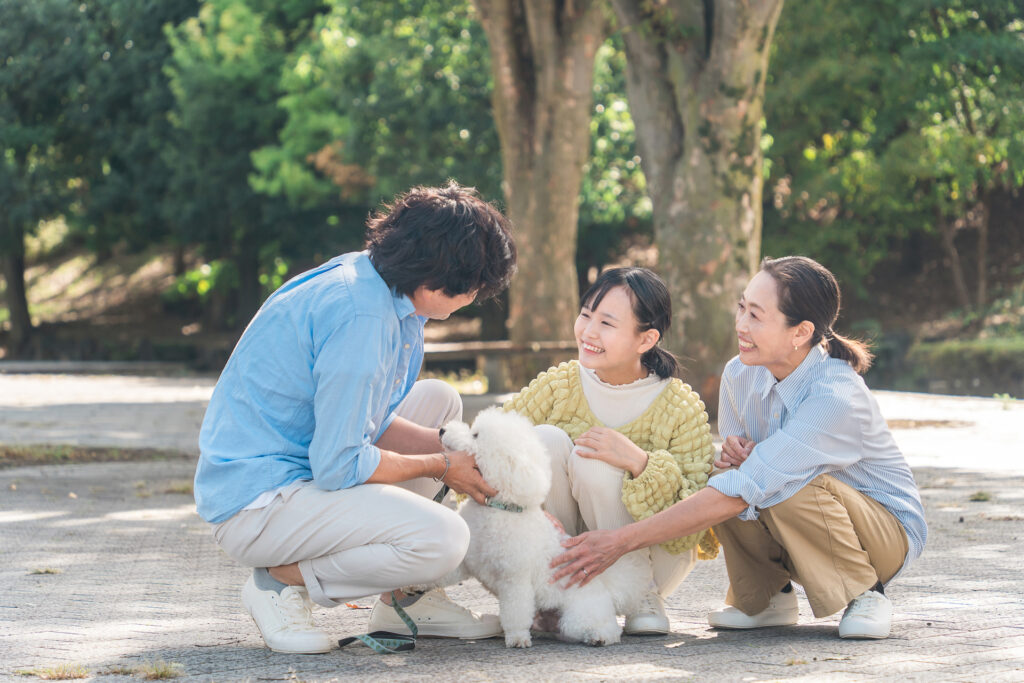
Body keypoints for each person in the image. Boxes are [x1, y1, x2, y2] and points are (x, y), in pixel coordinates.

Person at [193, 182, 517, 654]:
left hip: (303, 470)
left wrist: (450, 450)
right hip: (259, 504)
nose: (474, 299)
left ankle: (404, 602)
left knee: (440, 406)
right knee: (444, 540)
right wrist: (440, 466)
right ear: (437, 280)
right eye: (474, 289)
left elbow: (369, 420)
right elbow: (338, 464)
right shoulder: (361, 318)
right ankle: (280, 583)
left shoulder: (375, 284)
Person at [550, 256, 927, 640]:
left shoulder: (835, 397)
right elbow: (738, 478)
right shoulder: (740, 373)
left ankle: (867, 594)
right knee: (723, 473)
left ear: (801, 332)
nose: (740, 325)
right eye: (741, 307)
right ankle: (767, 598)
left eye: (756, 316)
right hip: (803, 529)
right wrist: (741, 463)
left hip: (884, 536)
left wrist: (618, 542)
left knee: (780, 485)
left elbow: (748, 488)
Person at [503, 267, 717, 636]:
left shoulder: (679, 406)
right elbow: (491, 446)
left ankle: (642, 595)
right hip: (569, 553)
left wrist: (640, 462)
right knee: (543, 439)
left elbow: (691, 521)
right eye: (586, 315)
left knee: (593, 460)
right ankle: (558, 592)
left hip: (654, 557)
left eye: (606, 322)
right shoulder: (559, 385)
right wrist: (531, 511)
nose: (588, 332)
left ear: (646, 338)